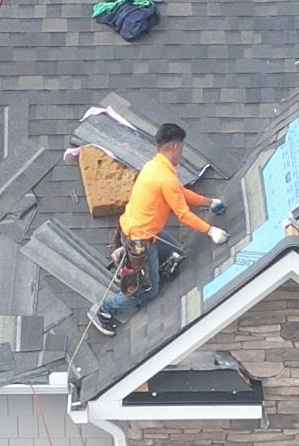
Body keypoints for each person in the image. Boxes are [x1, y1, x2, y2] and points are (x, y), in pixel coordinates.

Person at [90, 124, 227, 334]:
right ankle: (103, 310)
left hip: (136, 231)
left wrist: (210, 203)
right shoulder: (165, 176)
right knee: (149, 290)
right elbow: (182, 214)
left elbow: (179, 193)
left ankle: (125, 256)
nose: (181, 152)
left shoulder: (154, 167)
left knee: (177, 252)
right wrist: (210, 231)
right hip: (141, 242)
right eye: (181, 147)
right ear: (174, 146)